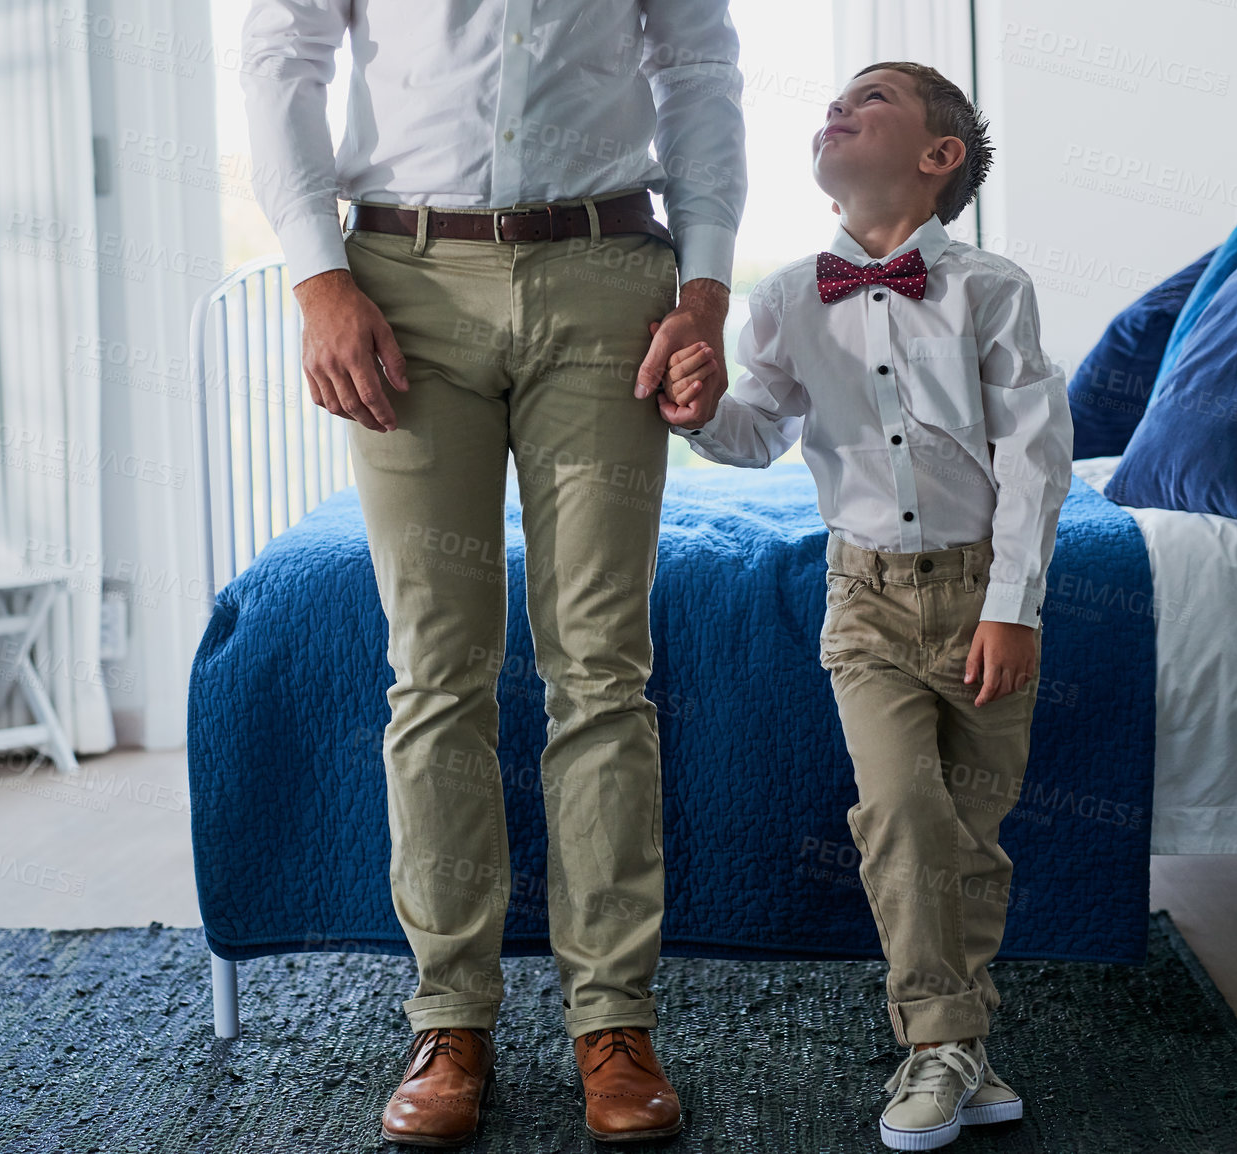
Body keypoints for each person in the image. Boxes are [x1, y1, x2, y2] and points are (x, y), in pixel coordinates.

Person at [240, 2, 746, 1145]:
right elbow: (283, 61)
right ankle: (449, 1019)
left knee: (603, 667)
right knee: (433, 665)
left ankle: (612, 1022)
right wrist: (318, 278)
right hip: (400, 282)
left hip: (608, 275)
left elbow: (700, 67)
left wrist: (704, 285)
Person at [663, 62, 1072, 1151]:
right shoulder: (791, 296)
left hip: (980, 588)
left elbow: (1034, 456)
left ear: (938, 159)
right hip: (866, 601)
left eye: (873, 98)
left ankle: (957, 1046)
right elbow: (755, 429)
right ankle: (935, 1037)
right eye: (835, 100)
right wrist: (700, 411)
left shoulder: (993, 286)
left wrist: (1013, 605)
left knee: (971, 836)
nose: (838, 107)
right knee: (898, 811)